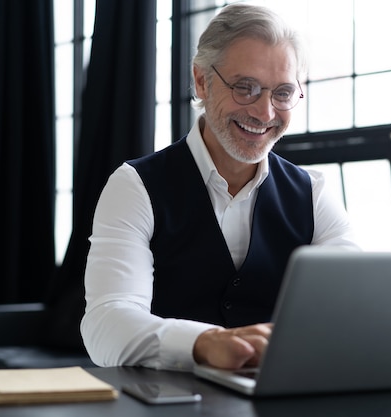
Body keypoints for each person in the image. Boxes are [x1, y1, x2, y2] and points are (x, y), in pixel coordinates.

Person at [80, 3, 359, 372]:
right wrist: (204, 343)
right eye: (245, 88)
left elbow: (355, 306)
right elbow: (106, 326)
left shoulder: (313, 195)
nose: (265, 112)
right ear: (201, 81)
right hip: (167, 402)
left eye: (283, 93)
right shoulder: (135, 187)